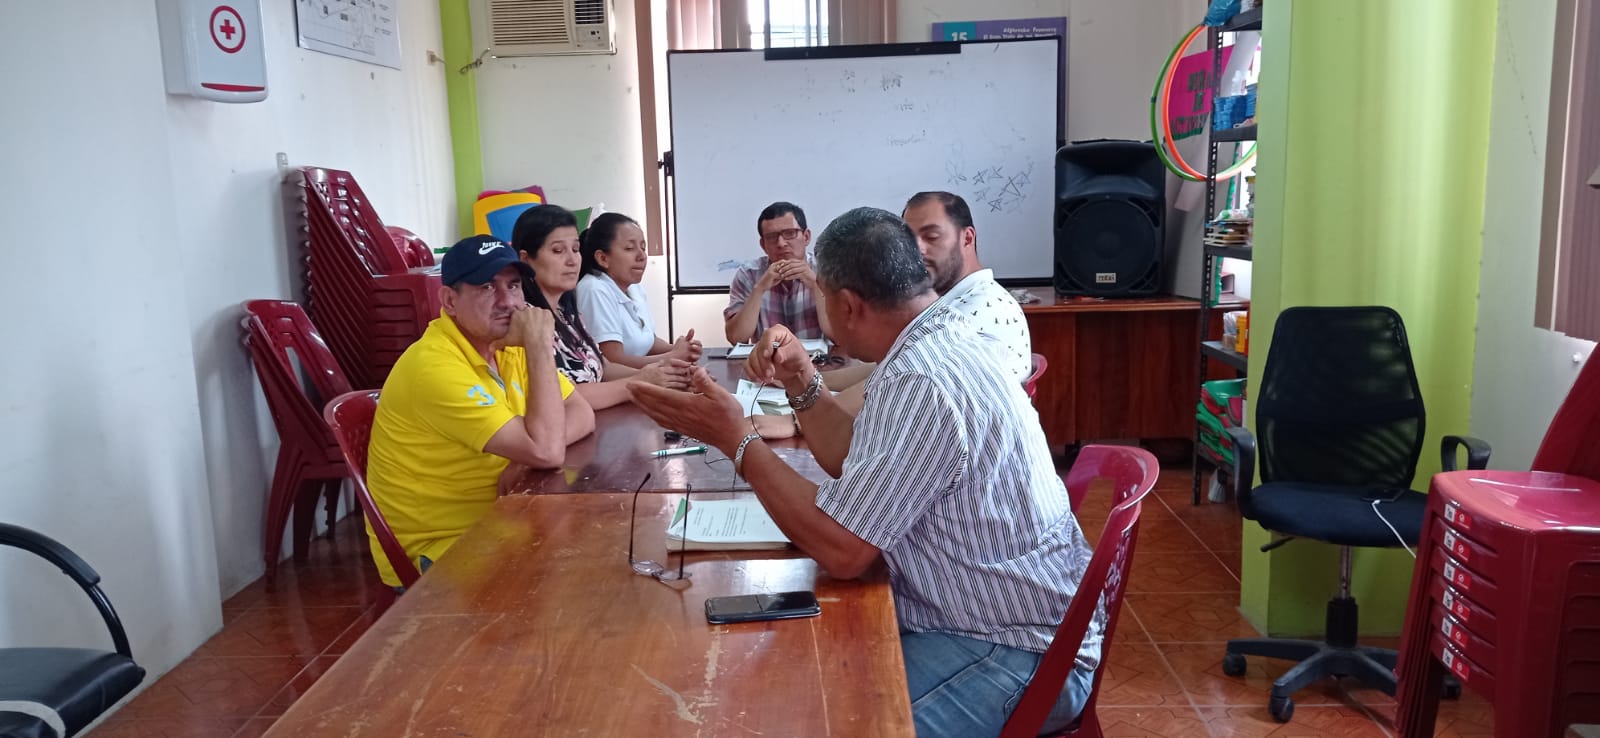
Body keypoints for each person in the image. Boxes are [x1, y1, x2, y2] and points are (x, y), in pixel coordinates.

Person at [632, 207, 1100, 737]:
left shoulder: (922, 378)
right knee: (792, 681)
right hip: (987, 618)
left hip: (1017, 648)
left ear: (849, 306)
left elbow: (845, 552)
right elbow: (855, 457)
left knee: (821, 723)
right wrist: (801, 379)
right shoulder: (937, 337)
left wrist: (735, 439)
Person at [366, 235, 597, 588]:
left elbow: (580, 411)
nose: (508, 302)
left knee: (598, 555)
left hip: (505, 519)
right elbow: (547, 451)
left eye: (514, 285)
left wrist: (525, 458)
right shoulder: (434, 367)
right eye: (487, 287)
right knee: (582, 575)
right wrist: (539, 344)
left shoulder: (505, 345)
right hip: (444, 547)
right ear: (450, 301)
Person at [751, 191, 1033, 439]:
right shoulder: (952, 302)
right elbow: (885, 369)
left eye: (931, 237)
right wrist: (810, 379)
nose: (916, 251)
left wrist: (795, 420)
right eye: (908, 240)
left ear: (967, 238)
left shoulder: (978, 311)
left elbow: (901, 377)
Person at [512, 205, 695, 409]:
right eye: (558, 251)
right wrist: (641, 382)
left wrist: (666, 377)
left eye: (575, 249)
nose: (572, 260)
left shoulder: (566, 314)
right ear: (526, 260)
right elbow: (564, 396)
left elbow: (603, 366)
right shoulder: (526, 321)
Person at [575, 211, 702, 369]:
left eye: (643, 247)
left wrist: (681, 349)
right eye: (629, 248)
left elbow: (647, 342)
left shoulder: (634, 288)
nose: (642, 256)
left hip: (644, 378)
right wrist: (672, 356)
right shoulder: (594, 289)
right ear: (602, 258)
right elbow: (612, 361)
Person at [723, 201, 832, 344]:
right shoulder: (748, 275)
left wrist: (816, 285)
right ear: (763, 245)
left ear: (806, 237)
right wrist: (759, 289)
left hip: (819, 357)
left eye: (790, 233)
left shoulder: (826, 269)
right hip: (768, 357)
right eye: (772, 237)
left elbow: (838, 335)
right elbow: (736, 338)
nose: (781, 243)